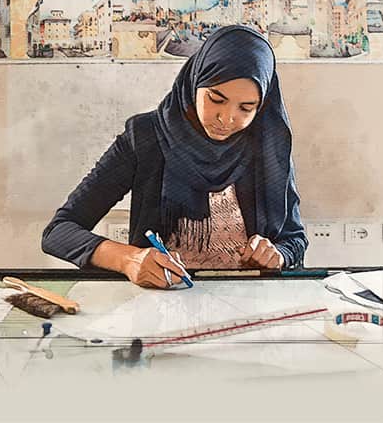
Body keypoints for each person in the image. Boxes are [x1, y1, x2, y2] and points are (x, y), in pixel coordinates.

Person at [41, 25, 307, 289]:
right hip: (162, 302)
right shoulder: (145, 137)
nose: (226, 119)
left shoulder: (268, 145)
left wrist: (278, 255)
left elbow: (294, 239)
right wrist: (128, 259)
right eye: (216, 98)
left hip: (247, 304)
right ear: (195, 82)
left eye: (246, 108)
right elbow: (59, 231)